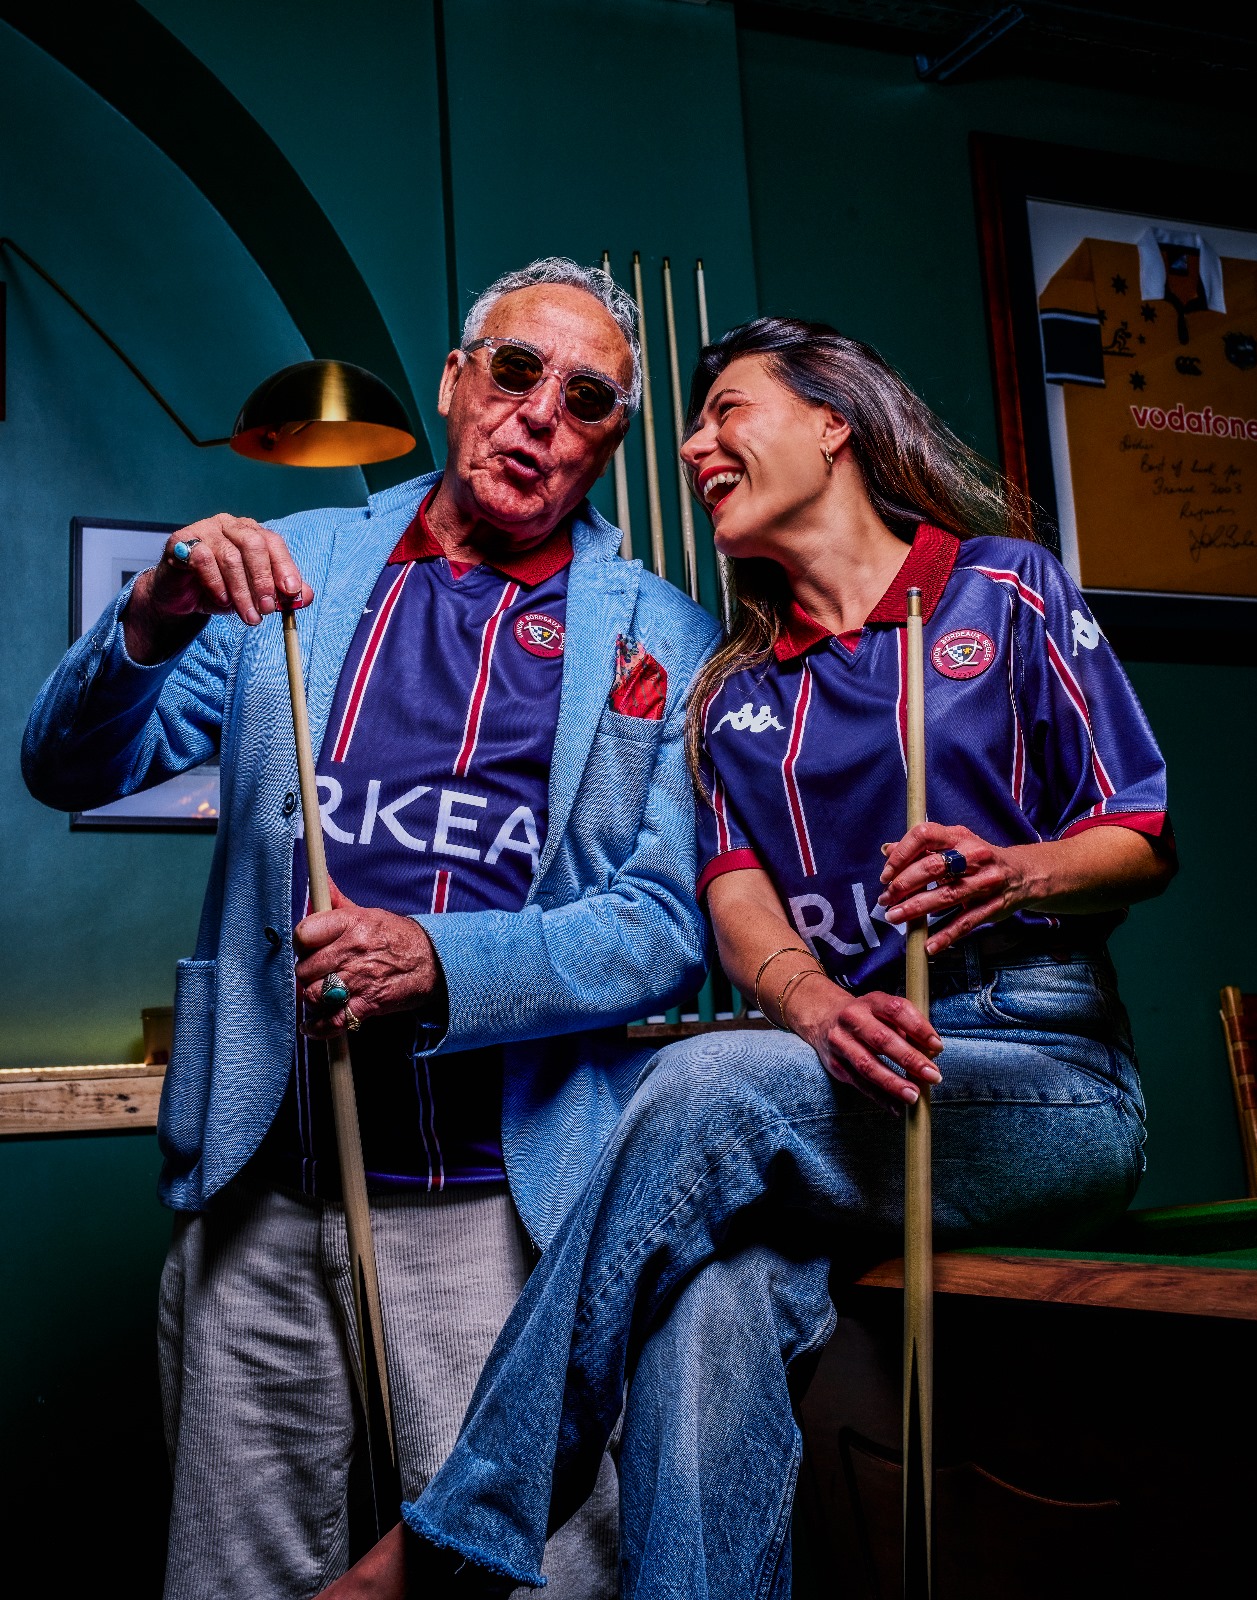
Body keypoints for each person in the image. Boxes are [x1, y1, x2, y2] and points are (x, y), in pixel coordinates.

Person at [317, 318, 1176, 1599]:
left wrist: (1016, 868)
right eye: (691, 423)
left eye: (725, 409)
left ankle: (458, 1532)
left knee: (705, 1083)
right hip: (848, 1077)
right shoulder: (729, 691)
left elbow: (1141, 835)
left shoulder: (1002, 588)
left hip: (1042, 1071)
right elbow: (734, 901)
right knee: (707, 1301)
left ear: (832, 423)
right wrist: (816, 1003)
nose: (692, 443)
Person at [22, 259, 720, 1600]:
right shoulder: (301, 567)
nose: (541, 416)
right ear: (457, 381)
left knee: (521, 1578)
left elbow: (659, 930)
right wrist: (155, 613)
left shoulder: (664, 637)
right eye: (515, 372)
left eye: (587, 401)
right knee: (235, 1578)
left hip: (495, 1209)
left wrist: (441, 962)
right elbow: (66, 765)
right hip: (263, 1185)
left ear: (611, 443)